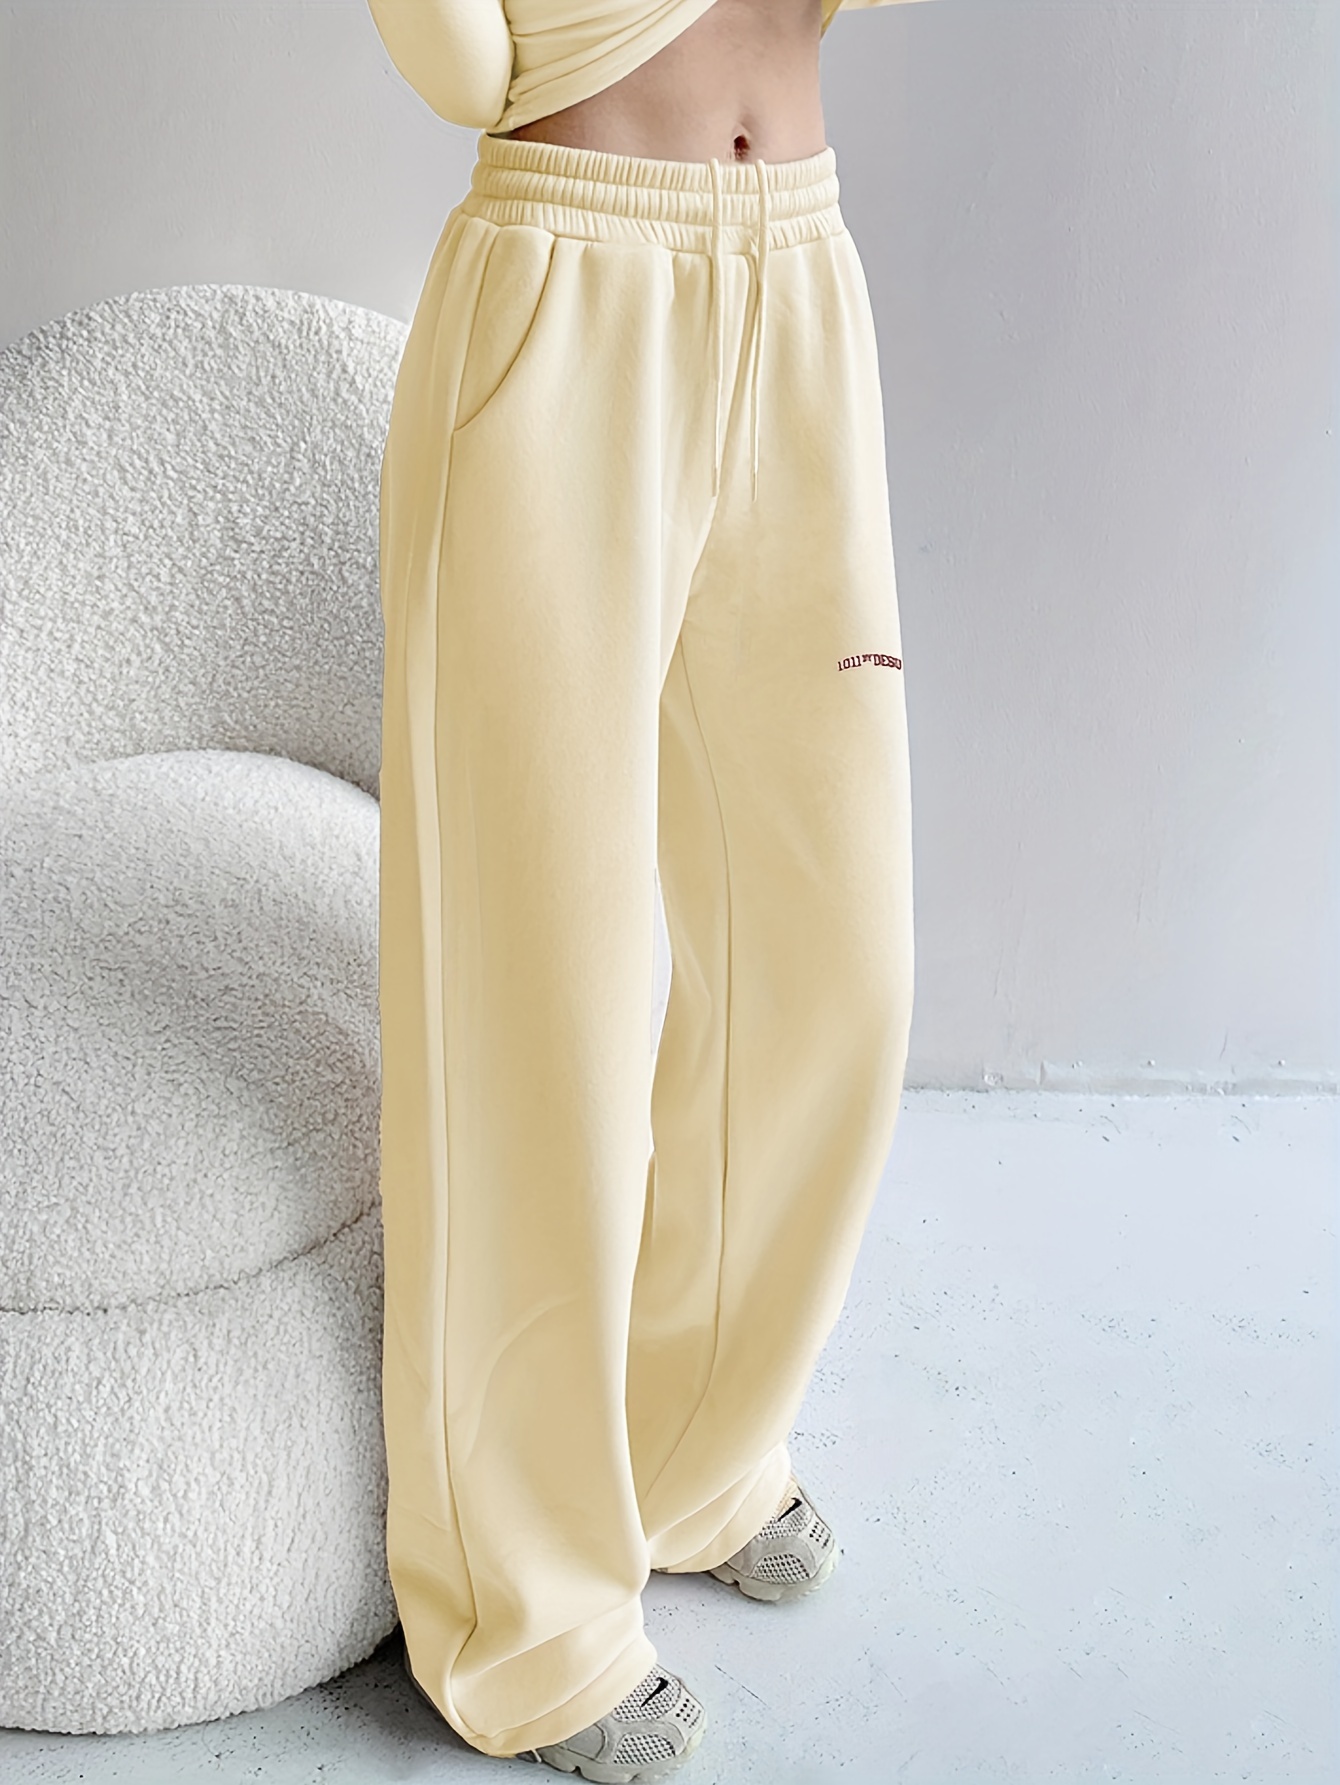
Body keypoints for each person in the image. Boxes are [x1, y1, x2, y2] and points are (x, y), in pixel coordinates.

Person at [365, 0, 925, 1776]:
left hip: (799, 278)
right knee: (539, 996)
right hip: (567, 291)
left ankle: (696, 1445)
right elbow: (464, 70)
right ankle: (523, 1613)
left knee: (836, 966)